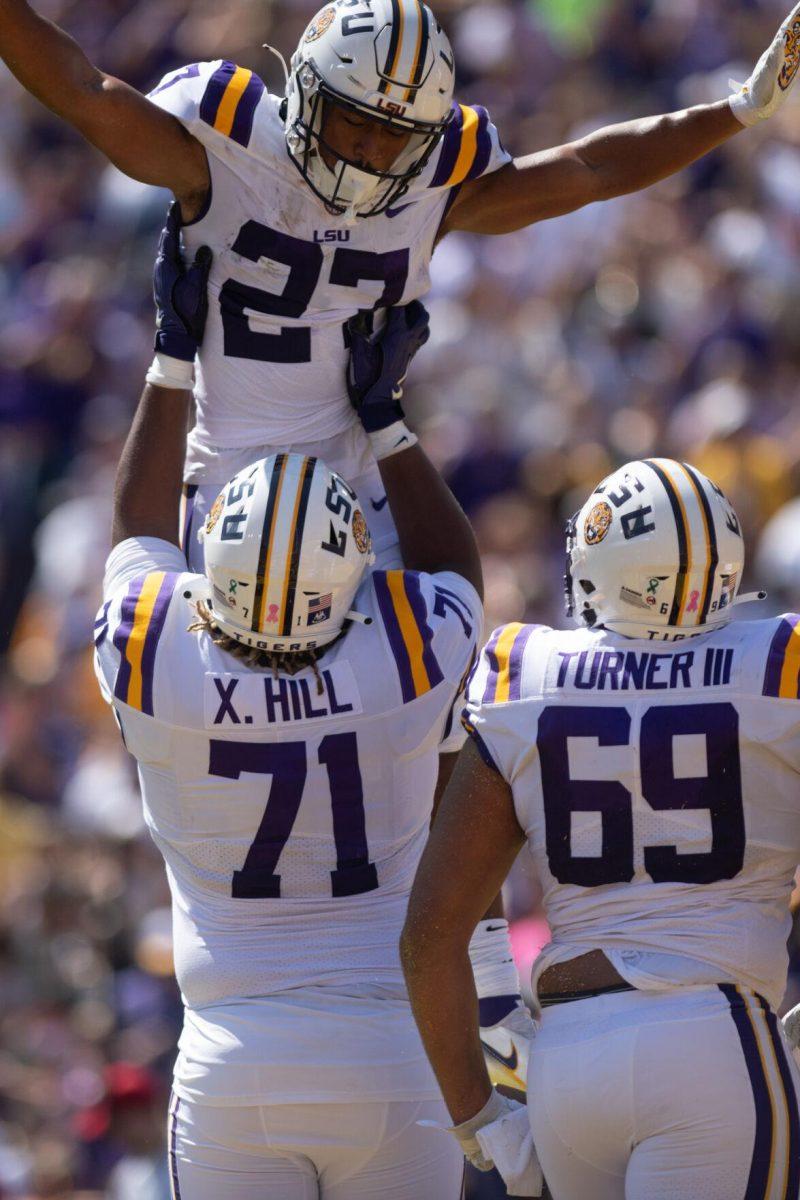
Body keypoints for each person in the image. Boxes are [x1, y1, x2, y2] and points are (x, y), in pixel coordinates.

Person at [2, 0, 800, 570]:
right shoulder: (227, 144)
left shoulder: (435, 184)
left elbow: (589, 168)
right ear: (307, 90)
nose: (371, 153)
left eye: (397, 135)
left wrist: (735, 109)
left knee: (432, 699)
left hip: (364, 488)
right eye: (356, 121)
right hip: (222, 489)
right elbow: (81, 90)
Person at [93, 204, 491, 1198]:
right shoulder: (400, 650)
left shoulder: (157, 655)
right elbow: (453, 567)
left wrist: (172, 357)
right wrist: (384, 417)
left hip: (234, 1057)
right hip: (394, 1056)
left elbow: (140, 524)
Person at [401, 457, 800, 1200]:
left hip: (570, 1064)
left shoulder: (526, 670)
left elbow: (429, 933)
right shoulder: (778, 663)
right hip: (712, 1036)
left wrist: (479, 1119)